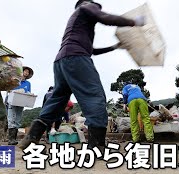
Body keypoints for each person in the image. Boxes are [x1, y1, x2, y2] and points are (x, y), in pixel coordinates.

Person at [19, 0, 146, 150]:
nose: (97, 8)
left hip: (61, 62)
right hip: (76, 59)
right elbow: (105, 18)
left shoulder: (77, 24)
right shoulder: (86, 7)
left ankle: (32, 136)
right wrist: (134, 21)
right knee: (94, 95)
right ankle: (97, 146)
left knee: (57, 99)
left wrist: (114, 47)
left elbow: (91, 50)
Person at [7, 66, 33, 145]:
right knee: (11, 119)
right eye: (25, 71)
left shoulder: (28, 83)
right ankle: (10, 139)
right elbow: (8, 90)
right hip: (12, 102)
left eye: (28, 72)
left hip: (21, 103)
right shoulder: (14, 80)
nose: (26, 73)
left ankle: (14, 139)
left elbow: (28, 93)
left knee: (18, 120)